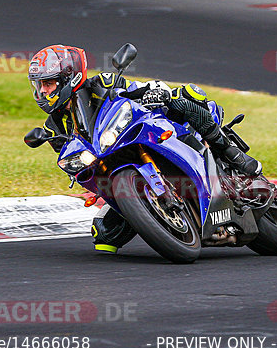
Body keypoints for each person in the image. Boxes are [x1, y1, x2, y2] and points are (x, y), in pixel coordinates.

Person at [27, 44, 262, 253]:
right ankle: (160, 213)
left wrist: (155, 92)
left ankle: (231, 152)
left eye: (49, 84)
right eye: (40, 86)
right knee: (104, 237)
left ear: (69, 76)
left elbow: (143, 86)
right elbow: (75, 164)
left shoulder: (103, 83)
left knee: (185, 98)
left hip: (143, 130)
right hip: (112, 166)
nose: (44, 92)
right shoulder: (52, 129)